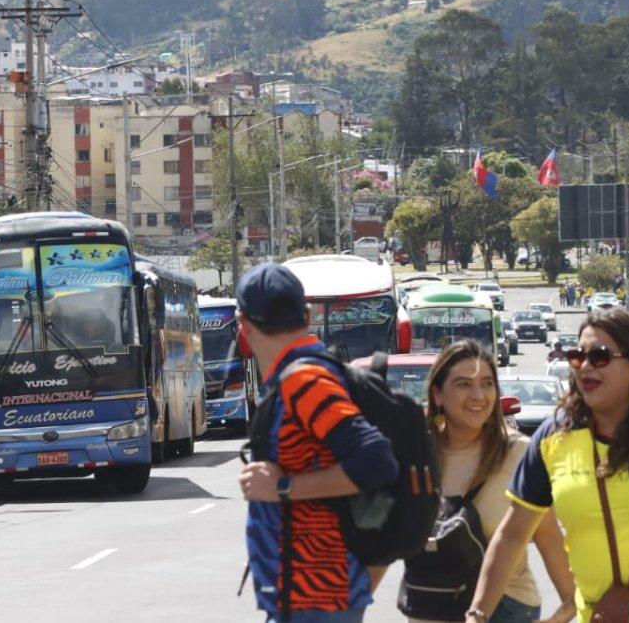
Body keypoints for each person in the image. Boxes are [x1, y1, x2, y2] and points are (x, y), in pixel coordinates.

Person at [466, 308, 629, 622]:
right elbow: (512, 536)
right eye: (577, 356)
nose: (585, 366)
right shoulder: (552, 439)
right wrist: (477, 614)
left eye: (600, 356)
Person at [236, 263, 399, 622]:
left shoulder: (305, 381)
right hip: (306, 596)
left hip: (317, 597)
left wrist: (281, 487)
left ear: (242, 325)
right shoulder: (298, 376)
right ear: (307, 315)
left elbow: (376, 461)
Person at [397, 341, 574, 623]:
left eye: (487, 384)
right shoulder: (416, 455)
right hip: (431, 604)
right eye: (464, 384)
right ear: (438, 394)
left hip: (505, 608)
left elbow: (548, 536)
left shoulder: (518, 453)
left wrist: (569, 605)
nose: (478, 396)